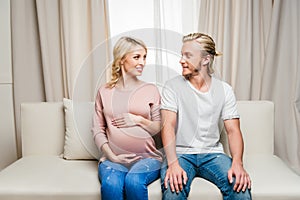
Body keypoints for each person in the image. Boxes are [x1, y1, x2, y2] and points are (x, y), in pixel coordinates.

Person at [160, 33, 252, 200]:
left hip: (212, 154)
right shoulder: (172, 87)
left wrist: (238, 163)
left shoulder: (225, 90)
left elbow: (233, 131)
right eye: (182, 55)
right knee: (173, 192)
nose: (181, 60)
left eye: (188, 55)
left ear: (205, 59)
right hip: (180, 154)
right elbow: (168, 127)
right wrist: (173, 163)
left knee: (241, 189)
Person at [92, 36, 163, 200]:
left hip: (148, 158)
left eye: (144, 57)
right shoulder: (104, 91)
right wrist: (112, 156)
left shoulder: (150, 89)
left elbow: (158, 127)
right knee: (111, 184)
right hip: (113, 159)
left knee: (134, 181)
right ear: (122, 59)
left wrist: (138, 120)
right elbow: (98, 129)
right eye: (137, 57)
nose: (143, 62)